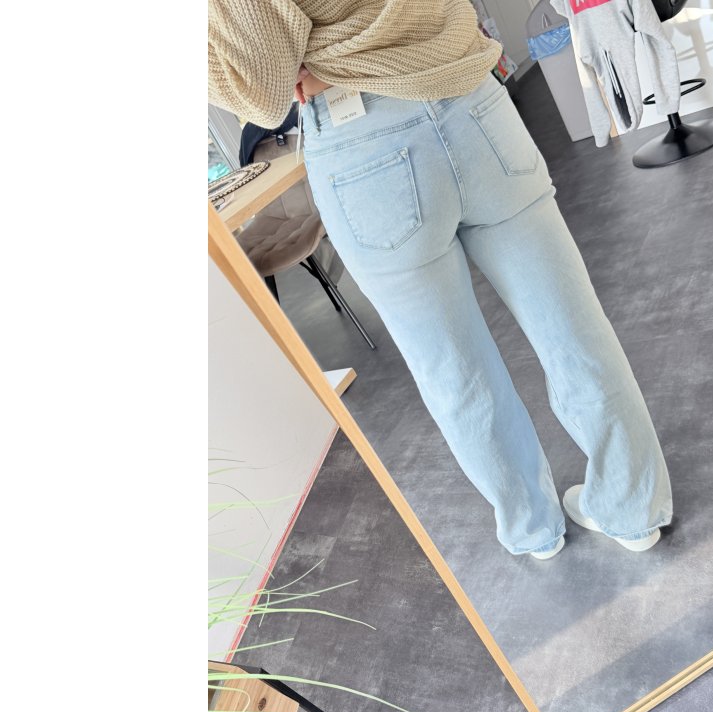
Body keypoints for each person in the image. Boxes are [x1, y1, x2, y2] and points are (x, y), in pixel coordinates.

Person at [208, 0, 673, 559]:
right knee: (572, 326)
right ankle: (632, 508)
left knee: (455, 371)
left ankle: (534, 529)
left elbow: (261, 88)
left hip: (361, 138)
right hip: (471, 95)